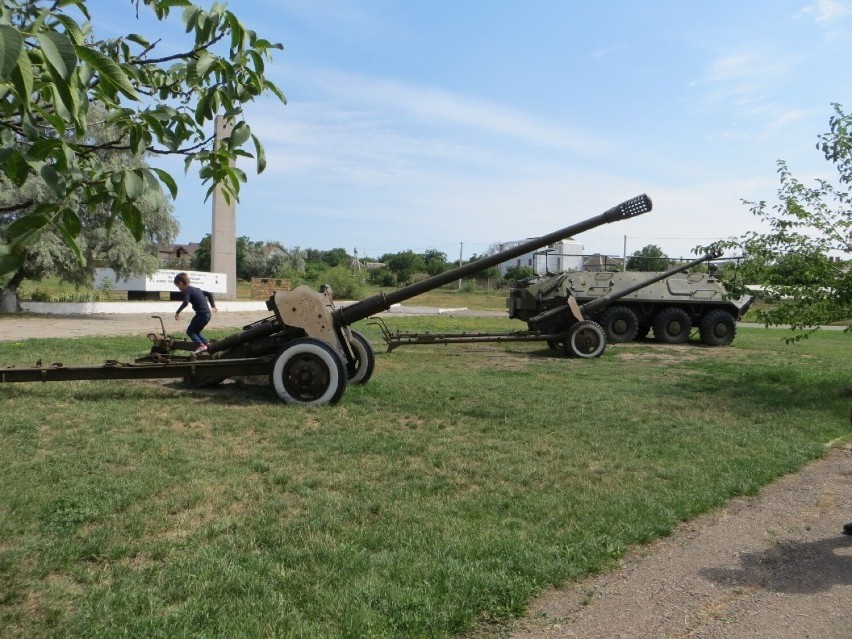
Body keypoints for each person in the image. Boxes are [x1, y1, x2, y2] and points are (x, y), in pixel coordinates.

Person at [173, 272, 218, 353]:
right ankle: (207, 345)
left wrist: (177, 312)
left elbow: (185, 302)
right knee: (196, 331)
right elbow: (209, 294)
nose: (179, 289)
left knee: (190, 331)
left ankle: (202, 346)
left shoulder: (187, 291)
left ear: (180, 284)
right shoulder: (197, 289)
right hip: (207, 314)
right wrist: (213, 306)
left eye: (178, 287)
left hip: (202, 315)